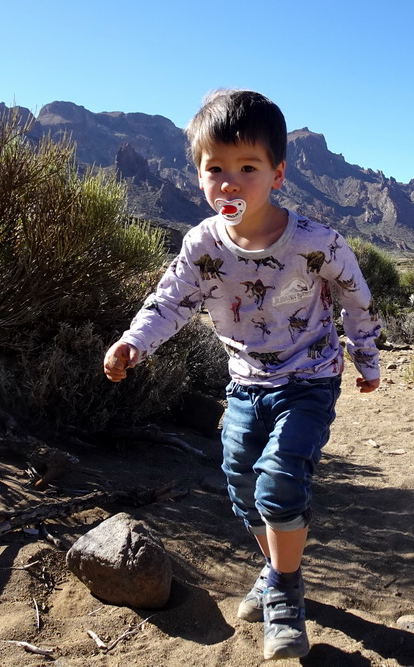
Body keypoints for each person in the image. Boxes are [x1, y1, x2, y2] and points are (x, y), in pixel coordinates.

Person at [103, 89, 381, 660]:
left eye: (246, 168)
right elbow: (171, 302)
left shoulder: (316, 241)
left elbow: (356, 297)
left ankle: (284, 589)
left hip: (309, 378)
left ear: (277, 173)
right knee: (241, 486)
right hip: (244, 383)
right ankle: (276, 567)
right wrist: (135, 343)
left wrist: (367, 356)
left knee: (280, 482)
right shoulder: (202, 243)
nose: (229, 182)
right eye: (215, 169)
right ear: (198, 175)